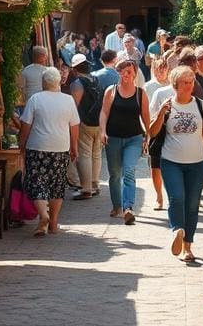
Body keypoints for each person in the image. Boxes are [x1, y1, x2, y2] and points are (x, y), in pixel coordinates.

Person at [147, 66, 203, 263]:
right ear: (175, 85)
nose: (190, 86)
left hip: (198, 163)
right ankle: (178, 229)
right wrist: (160, 113)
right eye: (185, 82)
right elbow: (152, 132)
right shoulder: (167, 105)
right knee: (177, 198)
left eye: (192, 81)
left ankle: (188, 246)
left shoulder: (201, 106)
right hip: (171, 162)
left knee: (192, 205)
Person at [19, 67, 80, 236]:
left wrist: (21, 143)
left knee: (36, 182)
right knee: (56, 184)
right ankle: (52, 223)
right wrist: (74, 147)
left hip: (37, 147)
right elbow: (74, 126)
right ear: (58, 82)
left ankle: (43, 215)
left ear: (43, 82)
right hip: (60, 148)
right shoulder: (68, 100)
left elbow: (26, 125)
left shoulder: (35, 99)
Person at [99, 58, 151, 224]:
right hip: (113, 138)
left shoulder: (140, 93)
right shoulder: (111, 91)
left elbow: (145, 116)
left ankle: (128, 207)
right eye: (123, 71)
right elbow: (104, 113)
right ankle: (117, 206)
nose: (126, 74)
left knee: (128, 171)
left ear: (135, 73)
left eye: (130, 71)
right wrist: (103, 131)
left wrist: (147, 135)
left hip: (133, 138)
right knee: (115, 174)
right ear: (118, 72)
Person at [68, 53, 103, 200]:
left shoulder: (77, 83)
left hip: (84, 123)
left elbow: (74, 106)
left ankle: (86, 189)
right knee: (96, 154)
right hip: (99, 122)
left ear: (75, 69)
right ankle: (95, 185)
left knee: (85, 155)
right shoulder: (96, 80)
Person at [143, 57, 170, 210]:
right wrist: (146, 131)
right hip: (154, 127)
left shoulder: (171, 85)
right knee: (155, 166)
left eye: (163, 68)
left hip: (169, 129)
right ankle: (159, 196)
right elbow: (145, 109)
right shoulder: (149, 86)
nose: (161, 71)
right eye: (158, 68)